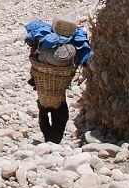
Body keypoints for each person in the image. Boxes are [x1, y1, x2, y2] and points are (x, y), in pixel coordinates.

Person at [25, 16, 93, 144]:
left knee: (43, 112)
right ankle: (54, 141)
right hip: (59, 88)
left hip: (42, 86)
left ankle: (48, 140)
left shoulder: (43, 40)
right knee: (61, 116)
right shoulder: (71, 44)